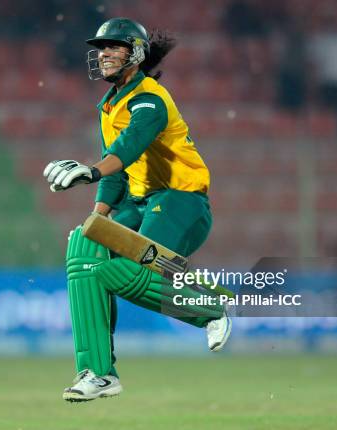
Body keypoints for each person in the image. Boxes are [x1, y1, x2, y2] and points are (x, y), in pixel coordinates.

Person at [43, 18, 231, 402]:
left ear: (137, 53)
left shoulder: (150, 99)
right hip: (141, 202)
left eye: (114, 46)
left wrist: (91, 170)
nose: (104, 54)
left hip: (181, 202)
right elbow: (118, 172)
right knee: (83, 245)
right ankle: (98, 374)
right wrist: (98, 217)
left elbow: (128, 147)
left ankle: (209, 308)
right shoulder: (110, 105)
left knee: (119, 272)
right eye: (101, 48)